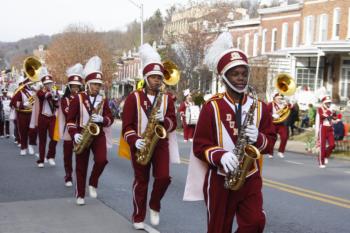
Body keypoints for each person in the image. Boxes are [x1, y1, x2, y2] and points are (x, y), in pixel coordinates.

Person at [184, 32, 276, 233]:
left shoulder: (260, 107)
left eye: (244, 73)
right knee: (218, 229)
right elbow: (199, 146)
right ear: (224, 76)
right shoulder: (212, 107)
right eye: (236, 74)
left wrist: (259, 139)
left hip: (250, 176)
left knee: (255, 223)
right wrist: (221, 155)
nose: (241, 78)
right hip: (219, 178)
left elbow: (270, 143)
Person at [121, 44, 178, 230]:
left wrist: (165, 122)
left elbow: (173, 122)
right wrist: (134, 139)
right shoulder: (133, 98)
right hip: (140, 143)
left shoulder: (167, 98)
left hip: (160, 143)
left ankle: (155, 204)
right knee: (141, 181)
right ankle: (138, 216)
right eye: (153, 77)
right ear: (146, 78)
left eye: (159, 78)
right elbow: (126, 126)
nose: (157, 80)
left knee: (164, 178)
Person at [66, 56, 113, 205]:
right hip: (82, 133)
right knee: (81, 166)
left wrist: (103, 120)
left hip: (98, 134)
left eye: (99, 85)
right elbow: (70, 120)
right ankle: (80, 194)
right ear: (87, 84)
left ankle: (93, 181)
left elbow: (110, 118)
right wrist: (75, 135)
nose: (97, 88)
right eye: (94, 84)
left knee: (102, 160)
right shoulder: (78, 98)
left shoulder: (102, 100)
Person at [59, 63, 84, 186]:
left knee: (81, 156)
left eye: (78, 86)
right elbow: (67, 113)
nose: (76, 89)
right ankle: (68, 175)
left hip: (82, 130)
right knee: (67, 155)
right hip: (69, 130)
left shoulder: (84, 98)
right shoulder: (65, 100)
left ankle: (80, 178)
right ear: (69, 87)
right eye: (73, 86)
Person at [36, 68, 59, 167]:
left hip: (52, 118)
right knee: (42, 140)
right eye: (47, 83)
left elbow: (57, 104)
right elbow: (43, 96)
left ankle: (50, 156)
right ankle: (41, 160)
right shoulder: (40, 92)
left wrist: (56, 97)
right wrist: (50, 93)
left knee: (54, 138)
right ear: (43, 84)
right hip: (42, 117)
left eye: (50, 83)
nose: (49, 85)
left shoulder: (55, 91)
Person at [10, 75, 38, 155]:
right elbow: (13, 102)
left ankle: (30, 145)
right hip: (22, 114)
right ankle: (23, 147)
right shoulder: (20, 91)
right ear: (26, 84)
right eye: (30, 84)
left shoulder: (35, 91)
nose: (32, 85)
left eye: (32, 84)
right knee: (23, 131)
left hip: (32, 114)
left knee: (33, 131)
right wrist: (23, 104)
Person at [267, 92, 290, 158]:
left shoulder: (284, 105)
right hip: (273, 123)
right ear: (274, 99)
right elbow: (266, 113)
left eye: (281, 98)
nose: (280, 99)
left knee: (284, 137)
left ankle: (281, 151)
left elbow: (292, 107)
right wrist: (272, 115)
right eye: (278, 98)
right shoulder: (270, 104)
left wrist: (288, 104)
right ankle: (270, 152)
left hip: (282, 123)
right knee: (273, 138)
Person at [315, 95, 335, 168]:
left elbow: (335, 118)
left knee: (332, 145)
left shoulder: (330, 110)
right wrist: (331, 113)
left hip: (329, 129)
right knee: (322, 146)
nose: (328, 104)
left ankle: (326, 156)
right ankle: (321, 162)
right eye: (327, 103)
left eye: (329, 103)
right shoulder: (320, 109)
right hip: (322, 128)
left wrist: (336, 114)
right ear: (323, 103)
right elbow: (324, 116)